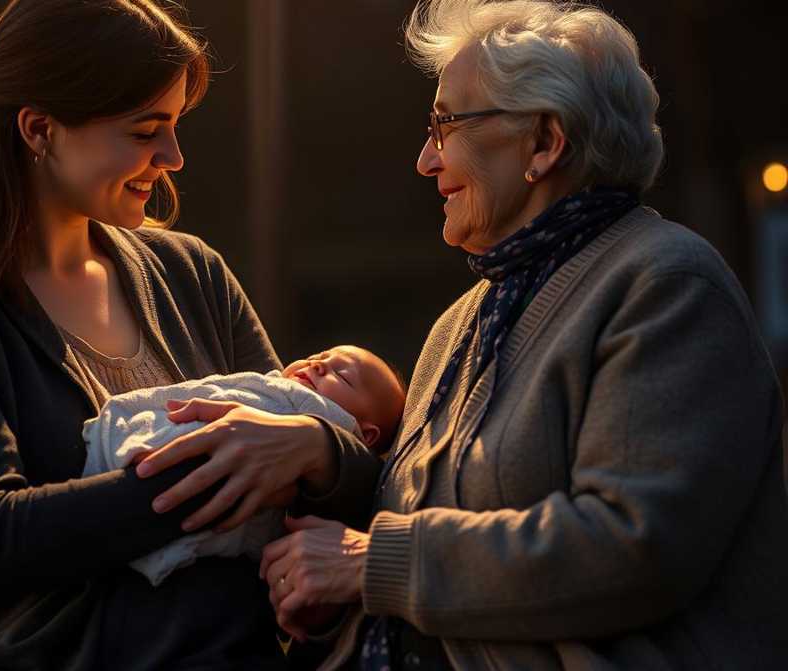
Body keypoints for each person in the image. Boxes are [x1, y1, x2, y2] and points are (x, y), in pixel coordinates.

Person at [140, 0, 788, 668]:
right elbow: (418, 557)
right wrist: (329, 590)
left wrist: (370, 563)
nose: (425, 159)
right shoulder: (460, 324)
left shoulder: (665, 285)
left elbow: (634, 546)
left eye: (446, 124)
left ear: (544, 142)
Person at [0, 0, 305, 668]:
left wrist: (316, 450)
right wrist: (225, 468)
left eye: (176, 126)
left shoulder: (195, 276)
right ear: (40, 129)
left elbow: (300, 442)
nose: (173, 156)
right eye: (145, 130)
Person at [79, 345, 406, 586]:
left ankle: (151, 447)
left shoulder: (317, 419)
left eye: (342, 375)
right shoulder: (272, 385)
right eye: (320, 356)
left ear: (364, 435)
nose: (318, 365)